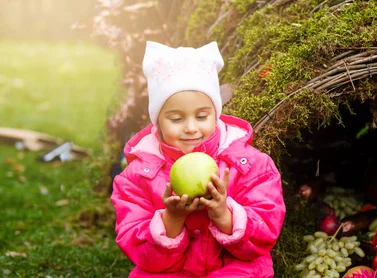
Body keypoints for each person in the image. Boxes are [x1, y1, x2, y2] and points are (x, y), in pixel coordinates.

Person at [111, 41, 286, 277]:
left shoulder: (251, 166)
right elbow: (139, 249)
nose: (191, 128)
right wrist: (171, 219)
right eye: (176, 119)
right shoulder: (136, 178)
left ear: (216, 113)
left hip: (233, 269)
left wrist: (225, 215)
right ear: (158, 121)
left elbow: (265, 232)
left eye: (202, 116)